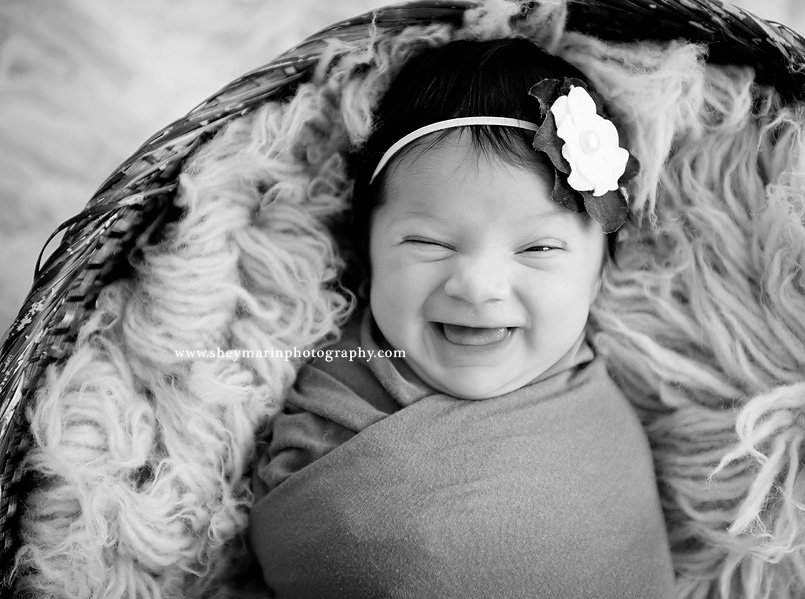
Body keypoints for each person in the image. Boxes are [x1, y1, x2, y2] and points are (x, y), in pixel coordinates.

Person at [249, 37, 676, 598]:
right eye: (429, 242)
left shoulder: (601, 437)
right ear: (367, 253)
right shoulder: (325, 391)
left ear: (597, 277)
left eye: (538, 250)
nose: (477, 286)